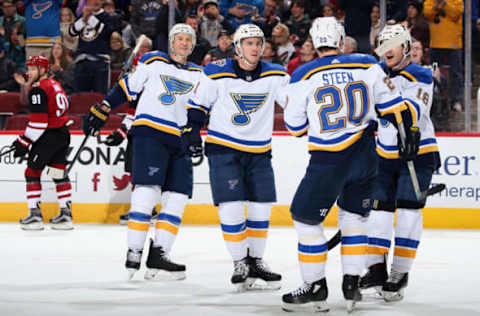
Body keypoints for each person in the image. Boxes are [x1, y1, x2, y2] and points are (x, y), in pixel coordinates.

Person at [280, 17, 418, 313]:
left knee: (305, 219)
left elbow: (294, 127)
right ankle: (352, 283)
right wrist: (410, 134)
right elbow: (395, 108)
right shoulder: (367, 64)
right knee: (355, 218)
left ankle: (315, 286)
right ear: (341, 40)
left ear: (314, 42)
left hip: (329, 159)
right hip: (367, 156)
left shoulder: (303, 73)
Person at [82, 23, 203, 280]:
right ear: (171, 42)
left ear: (193, 45)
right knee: (146, 192)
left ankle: (159, 255)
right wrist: (104, 107)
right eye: (179, 39)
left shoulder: (199, 74)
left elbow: (201, 108)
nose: (184, 43)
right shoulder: (153, 60)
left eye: (188, 40)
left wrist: (195, 133)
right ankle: (134, 251)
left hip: (179, 140)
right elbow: (128, 87)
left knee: (178, 197)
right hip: (150, 133)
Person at [184, 24, 289, 291]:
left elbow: (293, 103)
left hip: (260, 151)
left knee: (261, 208)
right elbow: (197, 107)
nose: (255, 48)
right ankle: (240, 261)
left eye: (259, 43)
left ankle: (255, 261)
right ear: (238, 46)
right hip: (224, 148)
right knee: (231, 206)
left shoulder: (276, 74)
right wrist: (192, 133)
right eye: (250, 43)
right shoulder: (216, 72)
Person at [360, 25, 440, 303]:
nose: (387, 49)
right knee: (379, 213)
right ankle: (376, 269)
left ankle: (399, 273)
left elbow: (413, 111)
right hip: (385, 155)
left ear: (406, 47)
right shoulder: (377, 74)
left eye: (392, 43)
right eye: (382, 44)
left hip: (418, 153)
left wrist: (381, 86)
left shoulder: (421, 73)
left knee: (407, 211)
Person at [11, 55, 73, 231]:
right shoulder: (55, 84)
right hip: (62, 134)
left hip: (48, 136)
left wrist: (23, 142)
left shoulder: (39, 89)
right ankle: (65, 215)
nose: (29, 72)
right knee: (58, 172)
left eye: (32, 69)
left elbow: (39, 123)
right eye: (29, 68)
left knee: (32, 171)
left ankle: (35, 215)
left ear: (43, 70)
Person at [69, 0, 115, 94]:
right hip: (82, 61)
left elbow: (105, 32)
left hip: (100, 61)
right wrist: (83, 19)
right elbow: (72, 32)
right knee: (80, 95)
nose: (95, 1)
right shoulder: (82, 16)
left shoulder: (107, 17)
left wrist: (89, 18)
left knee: (100, 95)